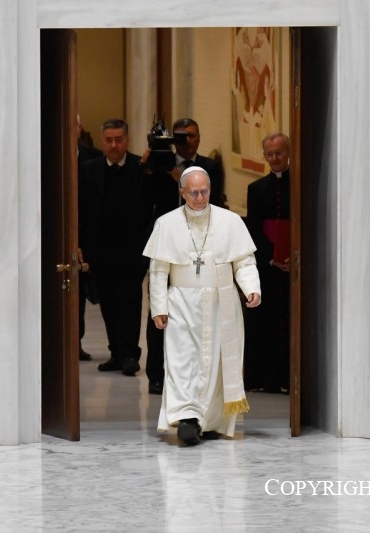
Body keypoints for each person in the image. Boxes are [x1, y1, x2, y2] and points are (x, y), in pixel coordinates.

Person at [144, 166, 261, 446]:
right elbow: (158, 270)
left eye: (204, 191)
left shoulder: (230, 221)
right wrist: (158, 307)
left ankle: (208, 421)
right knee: (182, 360)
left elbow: (244, 261)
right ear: (182, 192)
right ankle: (187, 418)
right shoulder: (166, 223)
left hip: (221, 302)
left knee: (216, 364)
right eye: (193, 192)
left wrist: (251, 288)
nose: (199, 197)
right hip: (181, 303)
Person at [79, 118, 175, 377]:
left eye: (118, 140)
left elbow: (160, 201)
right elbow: (82, 210)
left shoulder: (141, 167)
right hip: (100, 248)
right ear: (102, 141)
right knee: (108, 302)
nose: (113, 145)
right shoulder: (89, 169)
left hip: (133, 249)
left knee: (130, 302)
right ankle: (116, 353)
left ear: (127, 140)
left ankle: (131, 353)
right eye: (109, 140)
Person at [143, 117, 227, 395]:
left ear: (199, 137)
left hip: (200, 246)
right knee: (159, 308)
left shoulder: (210, 168)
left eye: (190, 135)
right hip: (168, 244)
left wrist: (184, 181)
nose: (185, 141)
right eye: (179, 136)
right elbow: (141, 198)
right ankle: (156, 374)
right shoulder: (158, 163)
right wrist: (147, 167)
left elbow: (215, 202)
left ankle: (197, 372)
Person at [244, 132, 291, 393]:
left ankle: (287, 377)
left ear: (288, 153)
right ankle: (264, 378)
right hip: (267, 265)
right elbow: (254, 229)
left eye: (279, 153)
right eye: (270, 154)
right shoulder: (257, 189)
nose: (274, 158)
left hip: (294, 267)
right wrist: (272, 257)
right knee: (265, 322)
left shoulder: (299, 184)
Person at [76, 115, 102, 362]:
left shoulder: (94, 157)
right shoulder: (48, 152)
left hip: (89, 231)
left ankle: (78, 341)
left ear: (80, 128)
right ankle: (71, 341)